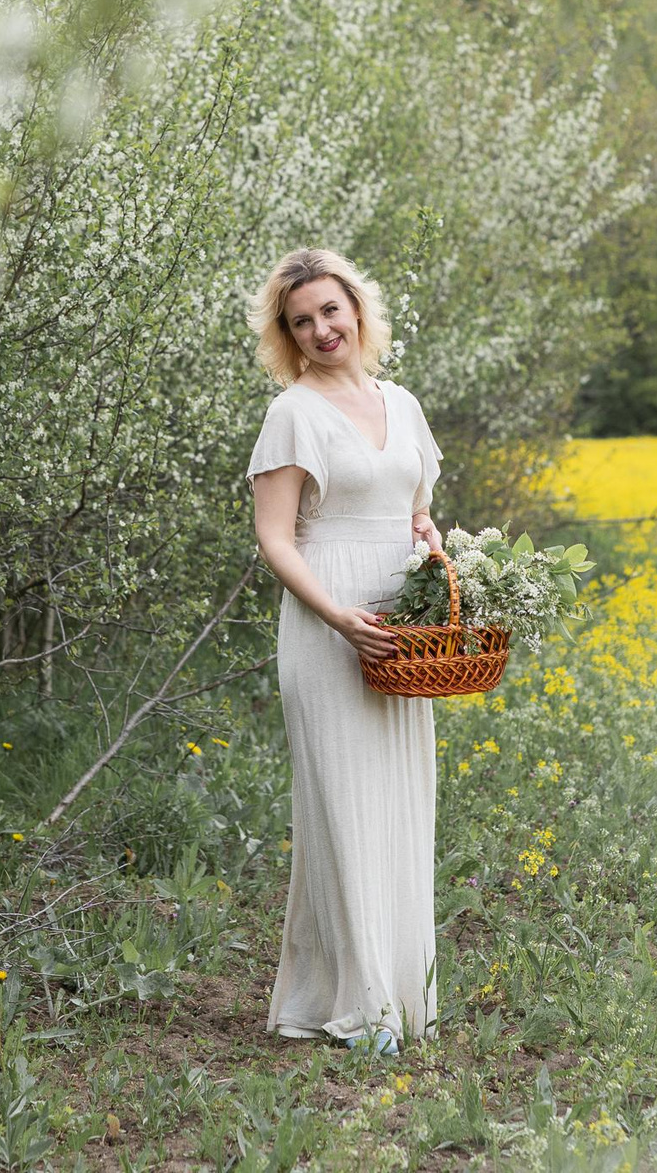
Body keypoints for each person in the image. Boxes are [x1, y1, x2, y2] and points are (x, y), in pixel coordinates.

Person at [245, 247, 446, 1053]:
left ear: (357, 310)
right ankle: (363, 1010)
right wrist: (337, 615)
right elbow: (273, 537)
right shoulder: (293, 412)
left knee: (399, 806)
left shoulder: (403, 401)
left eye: (332, 309)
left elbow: (416, 511)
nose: (322, 328)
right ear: (288, 335)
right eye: (303, 320)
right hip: (330, 621)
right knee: (342, 811)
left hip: (402, 632)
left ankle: (395, 992)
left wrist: (430, 541)